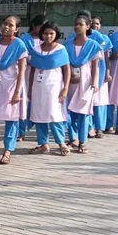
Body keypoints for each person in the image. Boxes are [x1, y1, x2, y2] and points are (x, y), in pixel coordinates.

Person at [0, 16, 29, 165]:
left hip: (12, 86)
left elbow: (22, 71)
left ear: (16, 29)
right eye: (5, 23)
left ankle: (8, 150)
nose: (6, 27)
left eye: (10, 25)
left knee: (11, 118)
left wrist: (18, 92)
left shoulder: (19, 45)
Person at [28, 22, 71, 156]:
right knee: (39, 115)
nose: (48, 36)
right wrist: (29, 88)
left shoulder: (60, 50)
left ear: (56, 34)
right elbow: (32, 70)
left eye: (51, 33)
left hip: (55, 87)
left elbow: (67, 70)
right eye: (46, 33)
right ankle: (43, 144)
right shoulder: (36, 50)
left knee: (54, 115)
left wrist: (65, 88)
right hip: (38, 87)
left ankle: (61, 143)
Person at [64, 16, 101, 153]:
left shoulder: (93, 45)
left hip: (86, 83)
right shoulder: (67, 44)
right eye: (76, 24)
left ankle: (82, 141)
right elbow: (64, 64)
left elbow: (95, 66)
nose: (77, 26)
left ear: (88, 26)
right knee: (70, 111)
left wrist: (94, 82)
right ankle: (73, 138)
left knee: (83, 112)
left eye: (81, 24)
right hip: (70, 81)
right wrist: (69, 77)